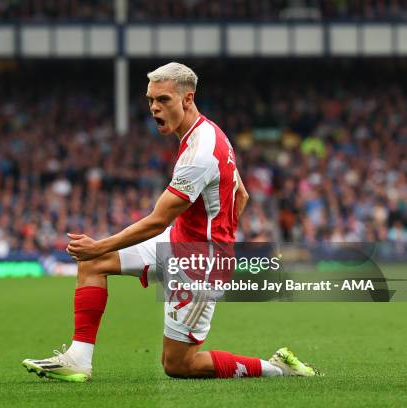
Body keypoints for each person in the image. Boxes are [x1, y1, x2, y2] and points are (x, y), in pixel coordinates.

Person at [22, 62, 319, 382]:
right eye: (150, 100)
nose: (154, 107)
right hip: (177, 242)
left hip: (198, 261)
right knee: (94, 264)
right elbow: (241, 194)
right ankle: (78, 359)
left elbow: (157, 219)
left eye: (163, 100)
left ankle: (277, 369)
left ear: (187, 99)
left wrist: (98, 245)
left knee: (178, 365)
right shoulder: (207, 133)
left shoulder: (199, 153)